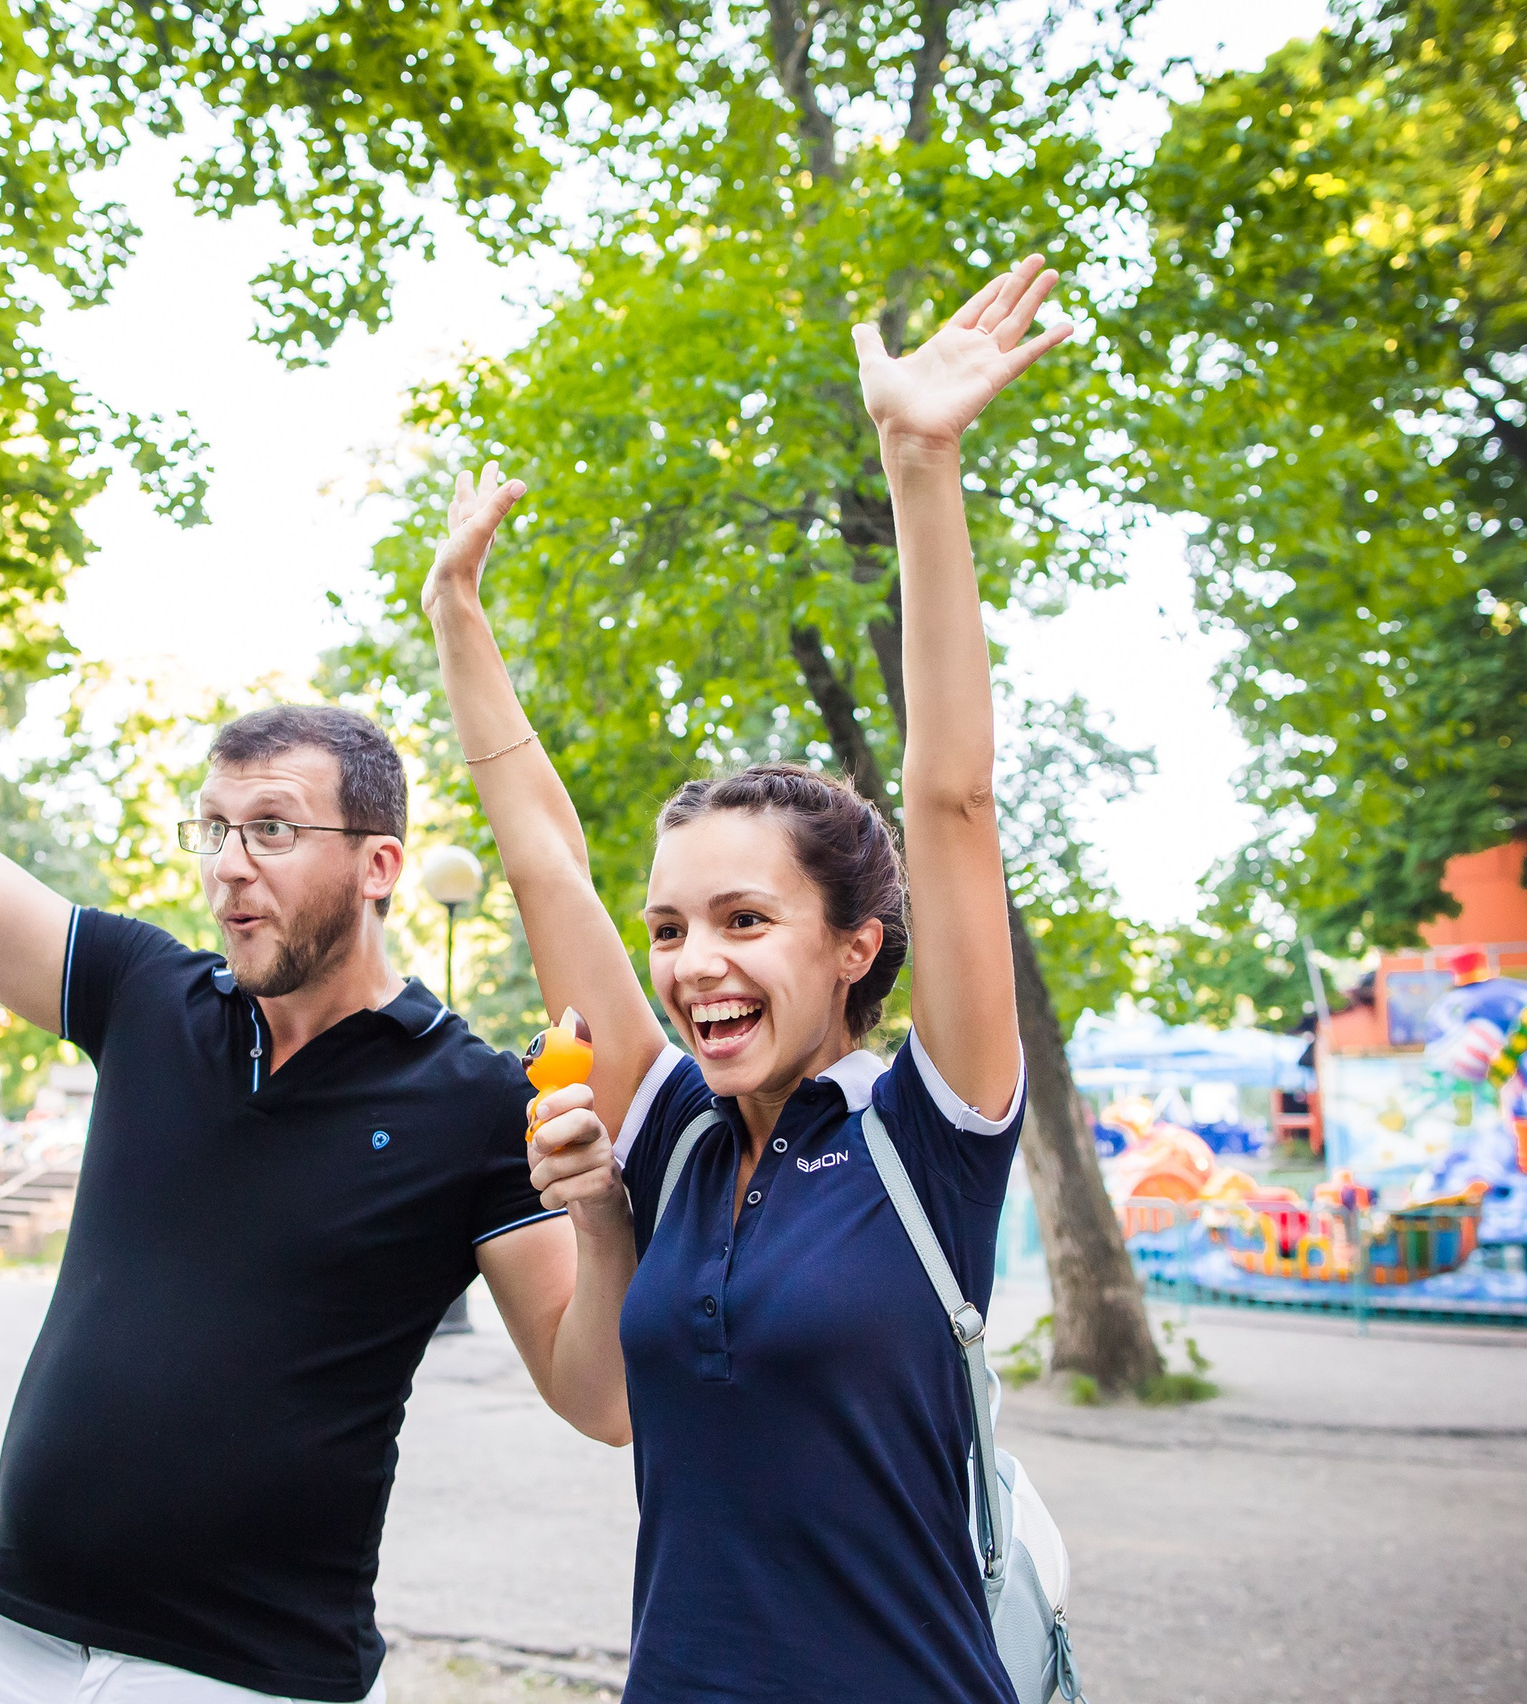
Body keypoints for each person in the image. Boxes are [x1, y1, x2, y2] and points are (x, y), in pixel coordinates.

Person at [0, 506, 603, 1704]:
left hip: (248, 1677)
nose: (230, 863)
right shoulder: (148, 993)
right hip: (3, 1645)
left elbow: (593, 1396)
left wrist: (595, 1210)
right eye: (216, 829)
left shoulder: (476, 1096)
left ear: (379, 864)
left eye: (275, 830)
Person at [421, 256, 1072, 1701]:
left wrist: (920, 464)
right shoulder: (671, 1135)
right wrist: (460, 626)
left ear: (854, 948)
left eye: (743, 921)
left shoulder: (932, 1128)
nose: (692, 963)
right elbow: (540, 863)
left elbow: (952, 799)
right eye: (668, 931)